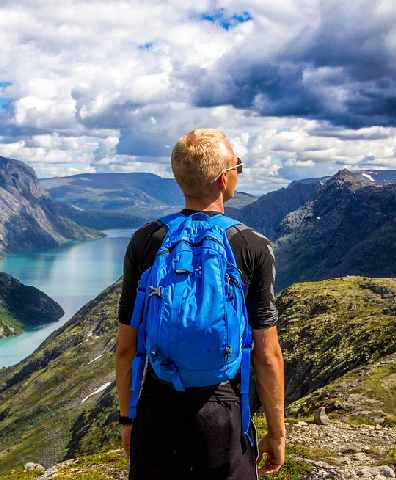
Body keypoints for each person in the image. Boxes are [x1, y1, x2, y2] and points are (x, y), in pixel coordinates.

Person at [114, 129, 286, 479]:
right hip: (223, 412)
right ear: (224, 179)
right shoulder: (252, 246)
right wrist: (276, 433)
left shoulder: (146, 240)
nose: (239, 171)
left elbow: (126, 348)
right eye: (238, 165)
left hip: (157, 407)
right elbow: (267, 355)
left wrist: (128, 420)